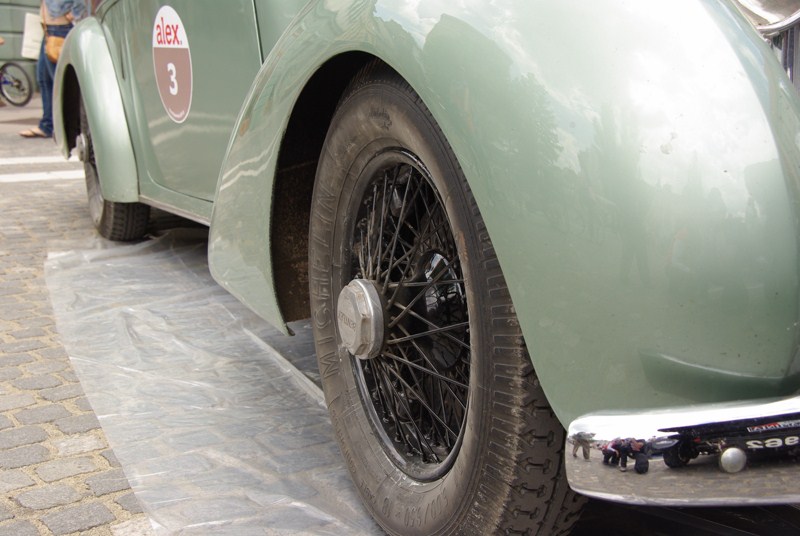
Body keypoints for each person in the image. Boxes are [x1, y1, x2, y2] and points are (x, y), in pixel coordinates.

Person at [19, 0, 86, 138]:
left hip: (59, 30)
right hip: (48, 30)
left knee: (61, 82)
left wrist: (75, 13)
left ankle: (72, 126)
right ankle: (48, 125)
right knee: (44, 79)